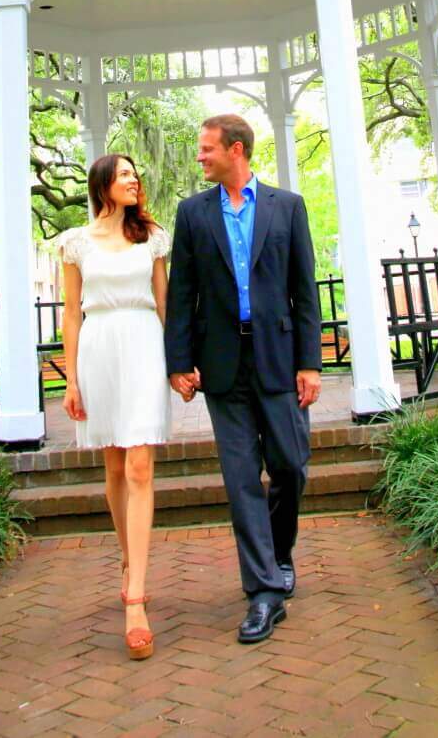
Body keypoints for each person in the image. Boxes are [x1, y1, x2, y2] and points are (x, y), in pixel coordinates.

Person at [165, 113, 322, 645]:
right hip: (222, 364)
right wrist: (178, 363)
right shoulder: (192, 213)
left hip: (279, 358)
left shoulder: (288, 207)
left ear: (236, 150)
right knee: (239, 480)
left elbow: (305, 290)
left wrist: (311, 363)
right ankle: (263, 593)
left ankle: (279, 554)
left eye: (207, 149)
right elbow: (182, 294)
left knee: (290, 467)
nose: (200, 157)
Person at [59, 154, 170, 660]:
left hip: (145, 342)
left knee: (141, 466)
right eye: (124, 174)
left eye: (135, 174)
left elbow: (164, 303)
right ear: (103, 185)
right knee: (114, 463)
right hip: (100, 347)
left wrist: (181, 363)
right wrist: (72, 380)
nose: (134, 180)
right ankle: (128, 559)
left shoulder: (153, 237)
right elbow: (71, 316)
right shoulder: (75, 244)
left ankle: (136, 599)